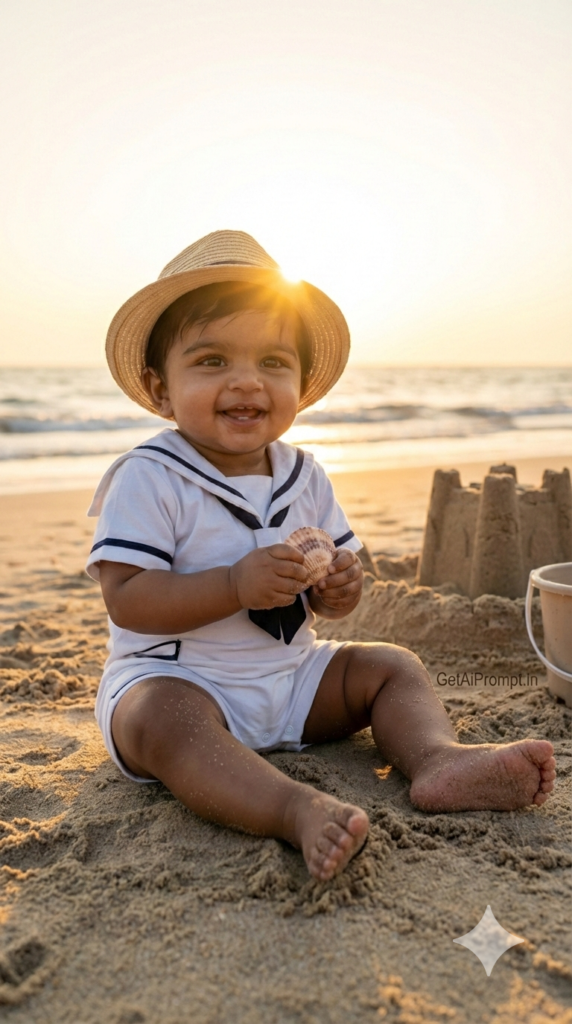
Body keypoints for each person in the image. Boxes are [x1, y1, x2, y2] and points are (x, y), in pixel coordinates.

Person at [87, 230, 556, 883]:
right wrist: (232, 584)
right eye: (213, 360)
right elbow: (127, 599)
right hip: (183, 679)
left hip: (292, 677)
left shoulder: (305, 475)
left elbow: (335, 600)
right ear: (159, 388)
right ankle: (290, 806)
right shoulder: (149, 476)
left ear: (302, 385)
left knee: (392, 667)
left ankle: (437, 759)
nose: (246, 381)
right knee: (162, 722)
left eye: (273, 362)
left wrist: (339, 588)